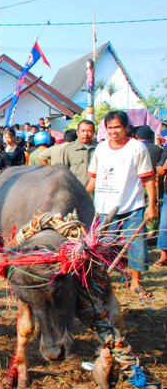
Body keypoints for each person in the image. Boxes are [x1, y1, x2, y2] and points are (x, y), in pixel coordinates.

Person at [86, 111, 156, 300]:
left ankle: (136, 282)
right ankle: (101, 280)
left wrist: (151, 206)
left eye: (117, 127)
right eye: (110, 128)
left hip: (132, 205)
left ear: (126, 127)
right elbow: (93, 178)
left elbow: (148, 177)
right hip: (104, 207)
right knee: (102, 245)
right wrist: (83, 197)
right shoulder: (100, 148)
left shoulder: (137, 148)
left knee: (135, 245)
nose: (114, 131)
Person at [61, 120, 97, 187]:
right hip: (77, 191)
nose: (86, 134)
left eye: (89, 131)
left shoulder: (99, 149)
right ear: (77, 133)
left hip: (96, 190)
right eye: (83, 131)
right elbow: (63, 172)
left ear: (93, 132)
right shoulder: (69, 149)